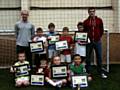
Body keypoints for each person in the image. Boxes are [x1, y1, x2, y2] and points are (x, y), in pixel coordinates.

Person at [83, 7, 107, 78]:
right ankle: (88, 72)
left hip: (97, 41)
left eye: (93, 11)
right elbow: (84, 31)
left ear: (95, 12)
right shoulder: (86, 22)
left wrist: (98, 37)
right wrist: (87, 39)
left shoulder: (99, 20)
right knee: (88, 58)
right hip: (89, 42)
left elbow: (101, 30)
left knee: (99, 57)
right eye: (90, 11)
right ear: (88, 12)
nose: (92, 13)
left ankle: (100, 72)